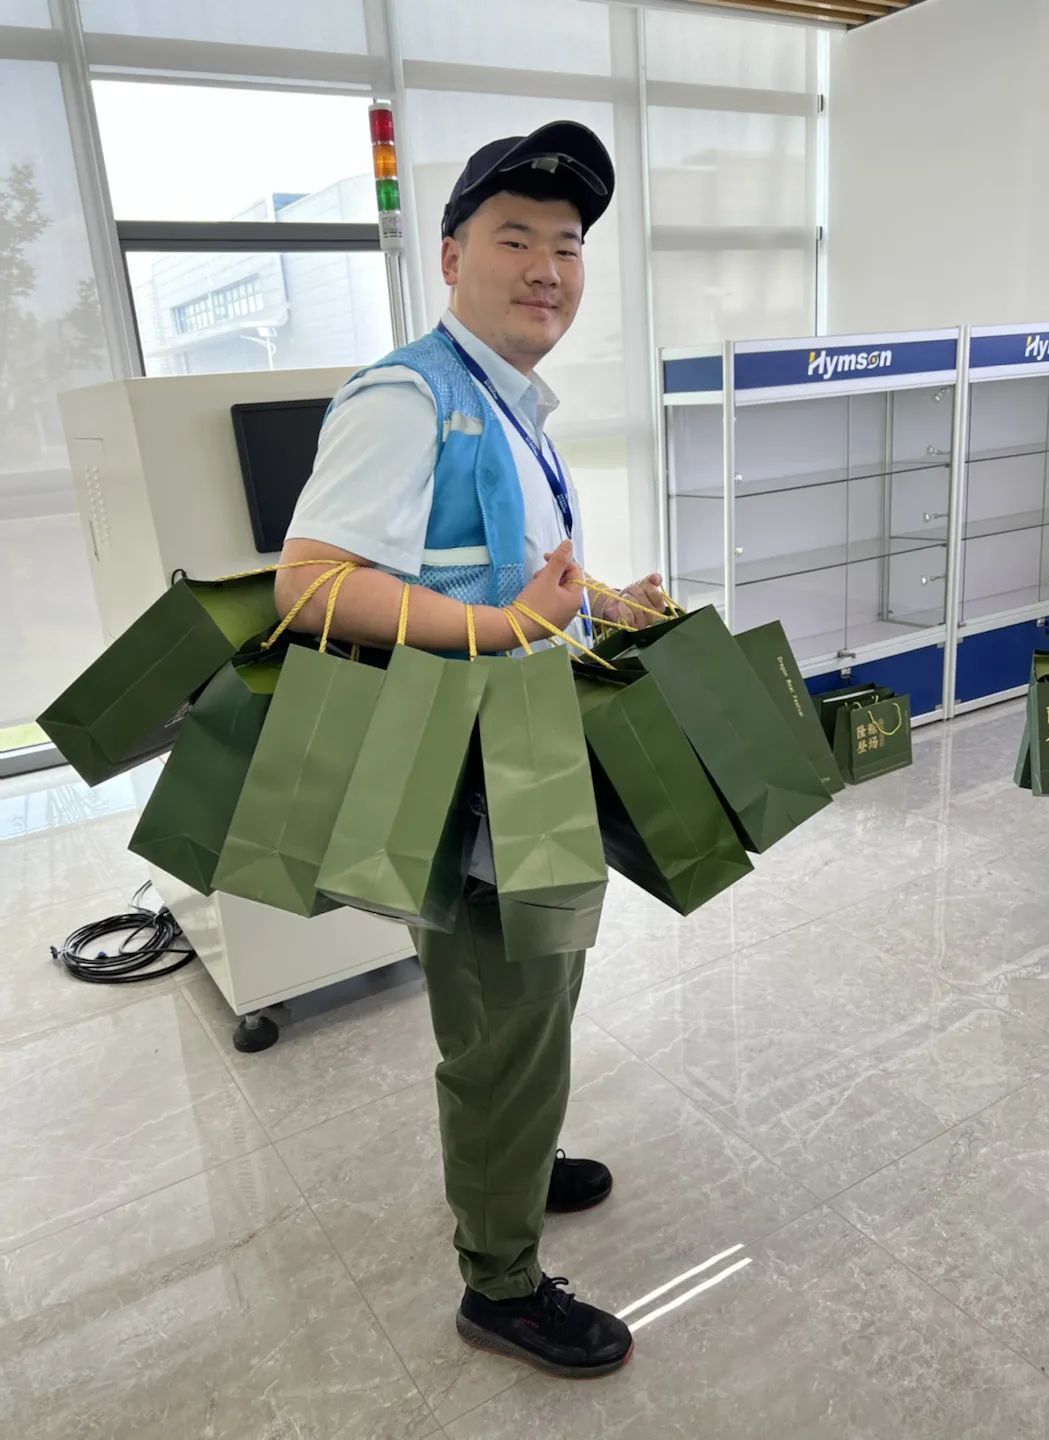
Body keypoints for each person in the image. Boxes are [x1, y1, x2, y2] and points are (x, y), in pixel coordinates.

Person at [276, 120, 665, 1380]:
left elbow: (503, 571)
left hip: (528, 754)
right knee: (504, 1018)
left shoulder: (504, 400)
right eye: (515, 238)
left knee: (540, 989)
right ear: (451, 257)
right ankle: (500, 1283)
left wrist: (600, 604)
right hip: (464, 778)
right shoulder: (409, 398)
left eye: (568, 245)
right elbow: (309, 584)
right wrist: (508, 628)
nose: (548, 266)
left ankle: (521, 1157)